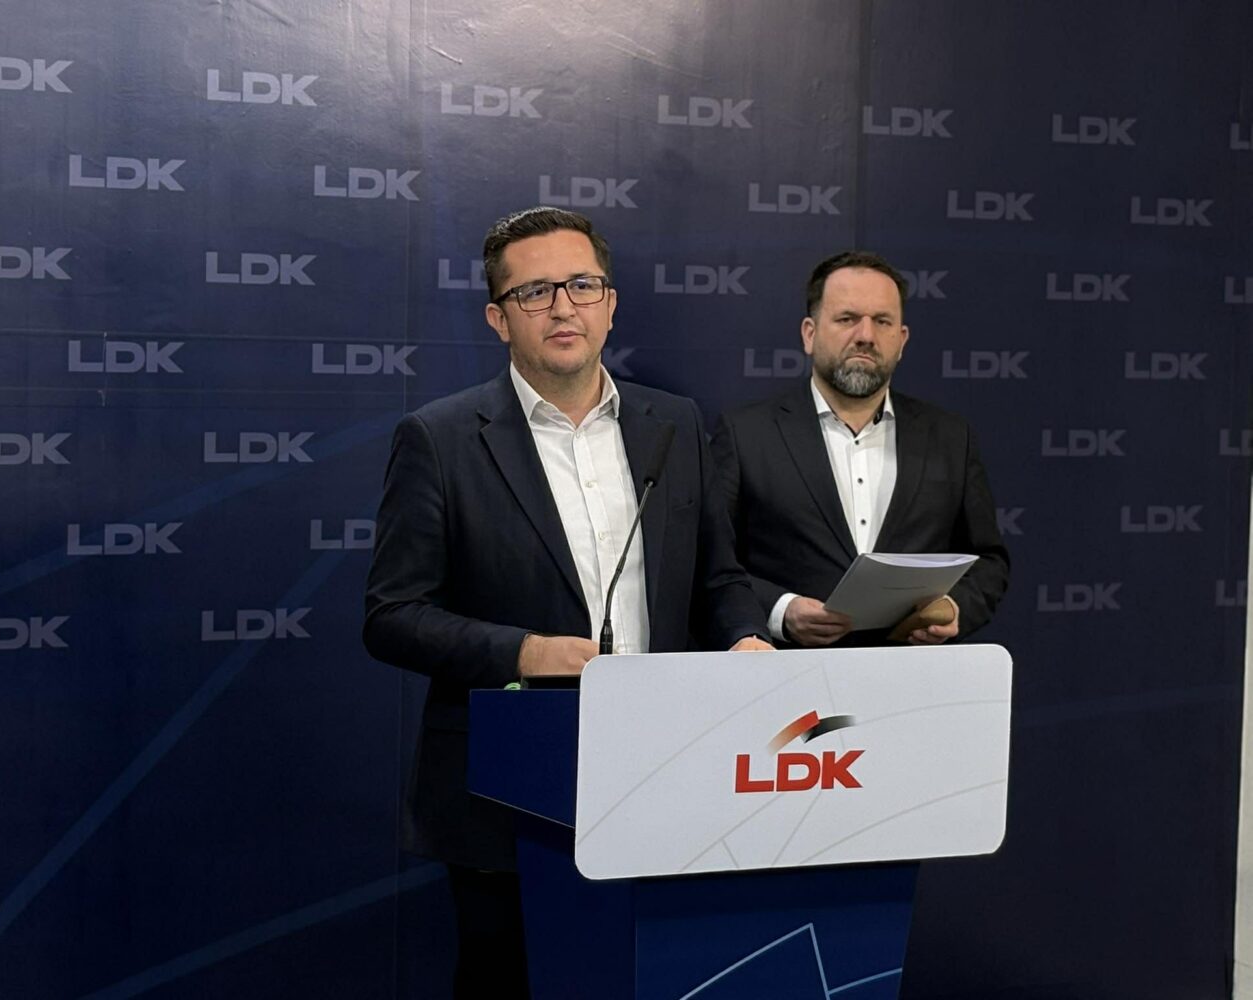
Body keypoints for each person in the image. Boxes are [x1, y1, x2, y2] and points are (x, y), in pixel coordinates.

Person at [363, 206, 771, 998]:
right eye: (534, 291)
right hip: (513, 790)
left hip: (668, 769)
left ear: (609, 304)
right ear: (498, 318)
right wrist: (525, 651)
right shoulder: (439, 438)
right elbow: (391, 615)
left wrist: (745, 639)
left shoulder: (674, 422)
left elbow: (718, 578)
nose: (562, 307)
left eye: (582, 285)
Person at [711, 250, 1009, 648]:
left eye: (882, 321)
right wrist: (782, 610)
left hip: (914, 675)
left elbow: (989, 562)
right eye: (847, 319)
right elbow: (709, 561)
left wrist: (954, 609)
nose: (866, 336)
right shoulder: (745, 433)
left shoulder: (951, 437)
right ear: (809, 334)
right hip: (790, 674)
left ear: (901, 340)